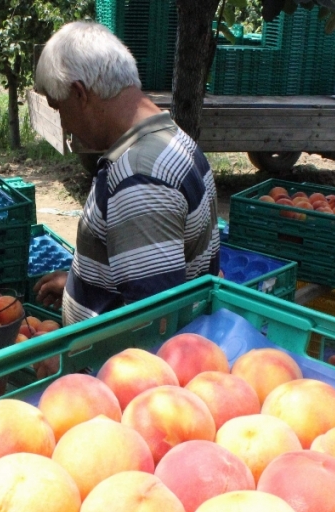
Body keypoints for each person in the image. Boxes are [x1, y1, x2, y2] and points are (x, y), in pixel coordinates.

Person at [32, 21, 220, 326]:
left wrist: (72, 359)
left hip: (104, 370)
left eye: (59, 108)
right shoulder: (173, 140)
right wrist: (82, 285)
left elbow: (152, 326)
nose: (64, 123)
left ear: (80, 94)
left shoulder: (139, 178)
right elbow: (157, 276)